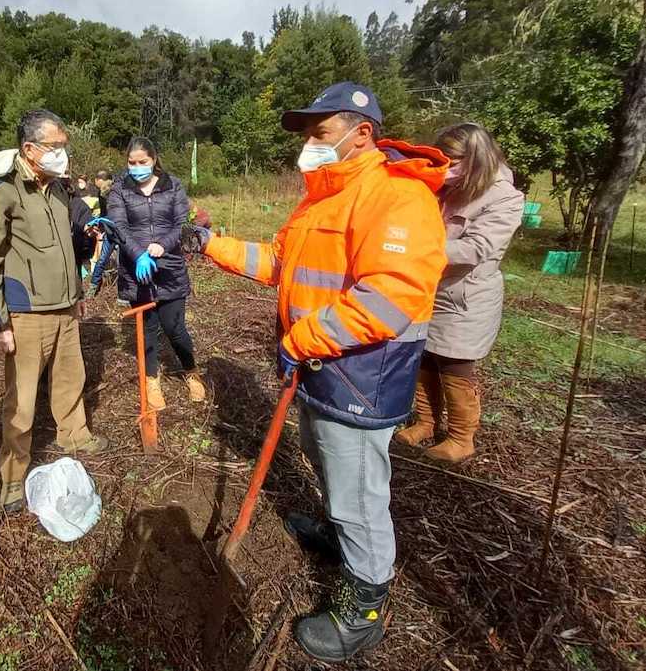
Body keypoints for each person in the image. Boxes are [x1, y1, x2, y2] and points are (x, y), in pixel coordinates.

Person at [194, 83, 448, 662]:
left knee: (360, 494)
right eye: (306, 133)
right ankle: (338, 537)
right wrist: (213, 245)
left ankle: (364, 610)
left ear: (363, 133)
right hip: (318, 368)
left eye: (320, 132)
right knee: (326, 462)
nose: (308, 144)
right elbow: (281, 264)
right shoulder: (319, 201)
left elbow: (389, 300)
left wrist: (300, 339)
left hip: (362, 374)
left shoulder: (397, 198)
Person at [0, 109, 110, 514]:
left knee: (71, 377)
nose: (62, 154)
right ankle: (13, 478)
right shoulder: (1, 191)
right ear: (30, 149)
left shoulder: (59, 190)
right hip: (26, 313)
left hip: (65, 307)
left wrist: (78, 292)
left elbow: (67, 249)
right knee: (22, 399)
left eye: (64, 147)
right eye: (55, 147)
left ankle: (74, 434)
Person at [394, 123, 524, 462]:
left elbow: (478, 247)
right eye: (443, 161)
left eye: (453, 161)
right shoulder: (443, 187)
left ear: (476, 159)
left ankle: (461, 438)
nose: (446, 168)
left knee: (455, 365)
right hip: (428, 289)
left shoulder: (504, 198)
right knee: (423, 357)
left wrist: (415, 250)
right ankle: (426, 423)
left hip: (465, 297)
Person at [108, 137, 205, 409]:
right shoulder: (119, 190)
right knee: (147, 327)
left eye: (143, 162)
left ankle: (190, 371)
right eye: (131, 163)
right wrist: (138, 253)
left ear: (153, 159)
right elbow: (119, 226)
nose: (137, 167)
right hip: (136, 269)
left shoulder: (172, 185)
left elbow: (180, 223)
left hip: (170, 267)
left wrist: (162, 245)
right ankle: (152, 378)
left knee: (175, 328)